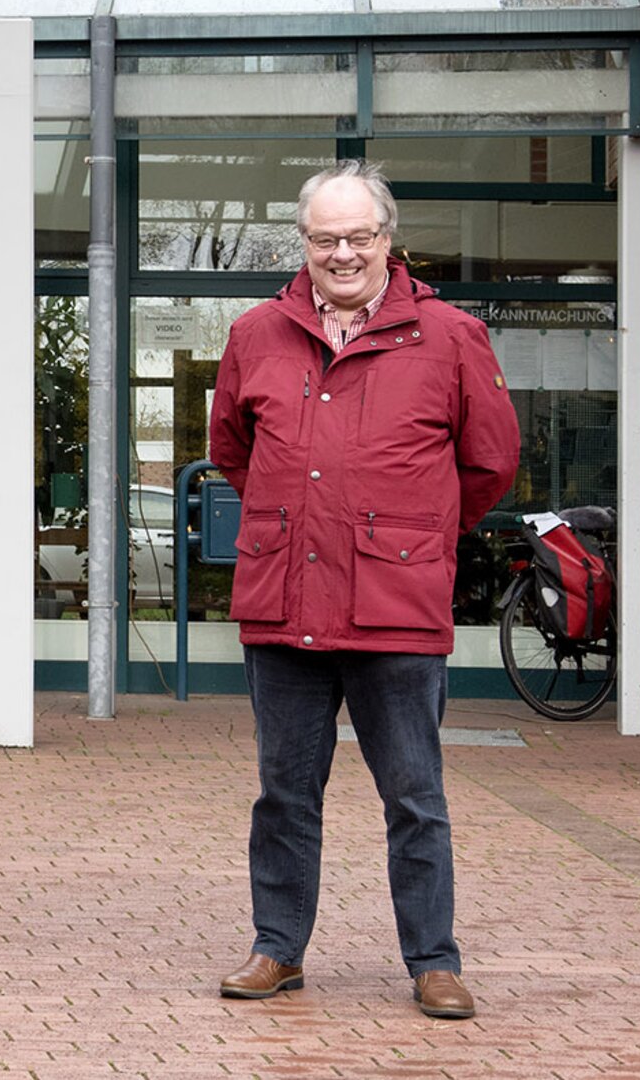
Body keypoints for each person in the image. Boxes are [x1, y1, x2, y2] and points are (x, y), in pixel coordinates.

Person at [208, 159, 520, 1021]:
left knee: (415, 797)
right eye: (325, 238)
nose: (342, 253)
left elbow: (489, 463)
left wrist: (412, 538)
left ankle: (433, 959)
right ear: (303, 243)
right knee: (284, 795)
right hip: (286, 603)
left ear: (388, 238)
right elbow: (234, 451)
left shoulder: (451, 336)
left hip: (396, 610)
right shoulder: (255, 335)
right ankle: (277, 949)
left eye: (359, 236)